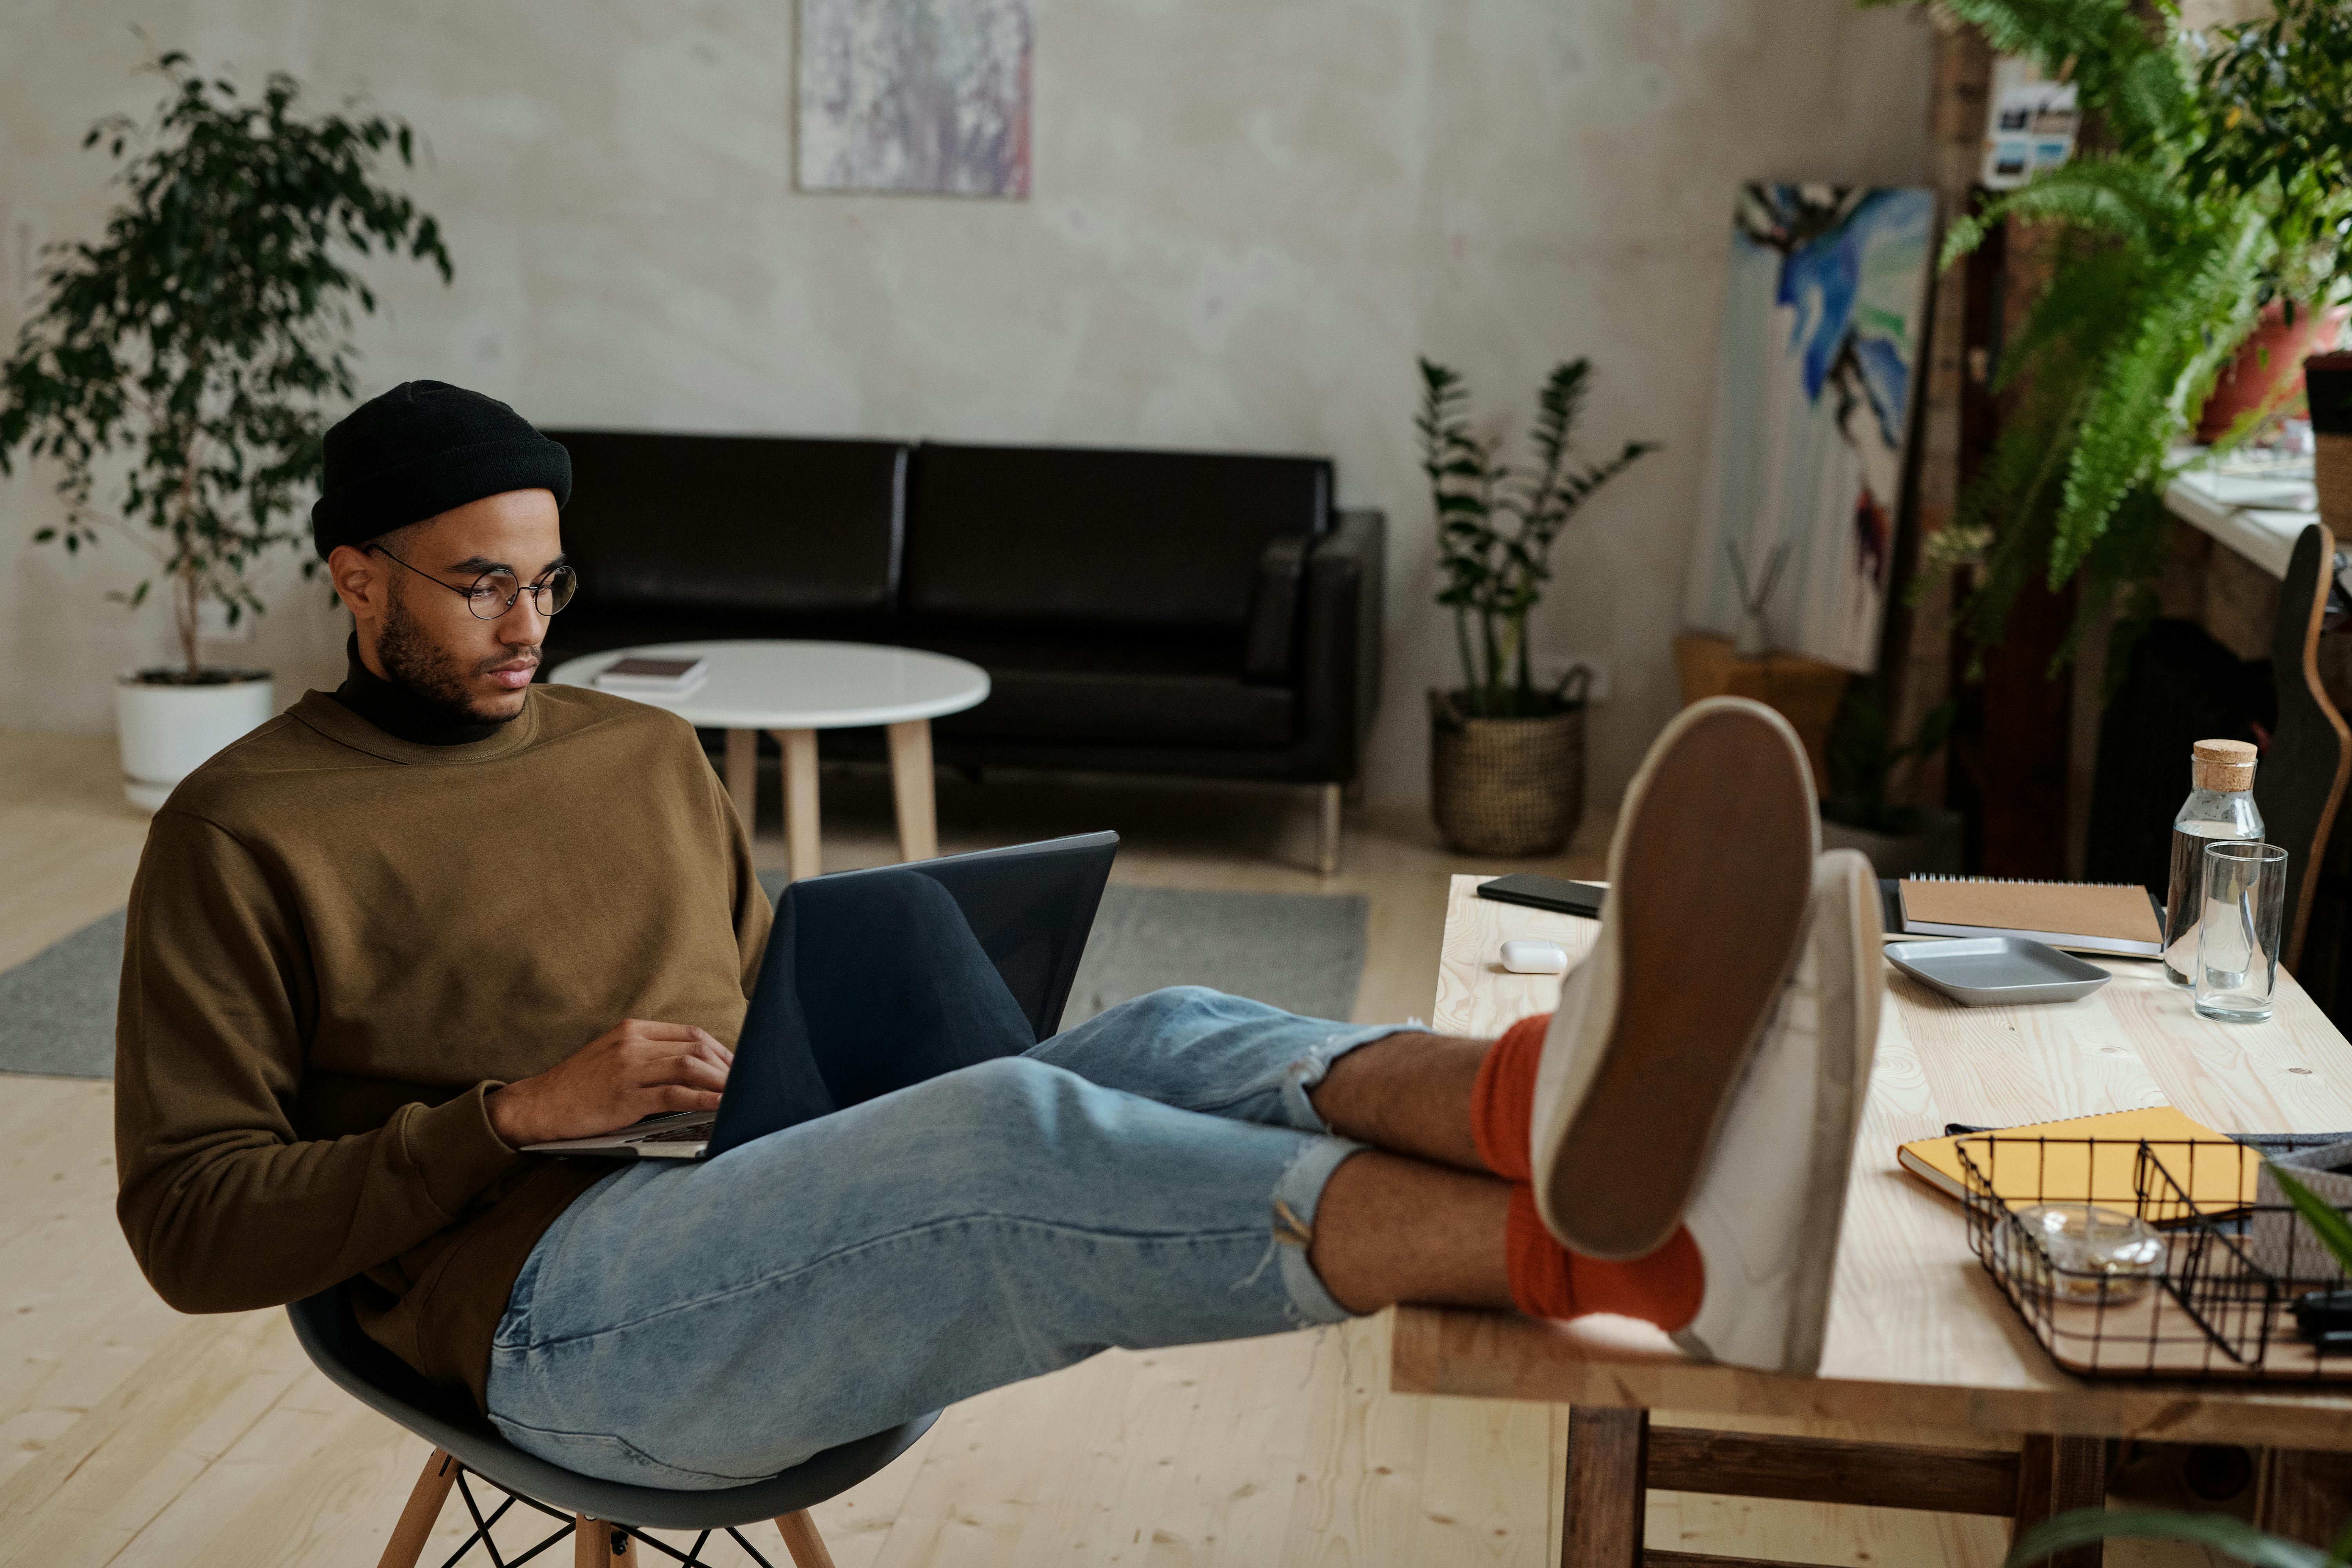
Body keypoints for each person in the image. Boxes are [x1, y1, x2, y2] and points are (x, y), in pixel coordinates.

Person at [114, 380, 1882, 1490]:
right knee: (1017, 1132)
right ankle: (1645, 1259)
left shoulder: (638, 747)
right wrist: (510, 1114)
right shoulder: (246, 826)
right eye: (478, 583)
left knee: (1173, 1025)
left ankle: (1555, 1098)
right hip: (557, 1328)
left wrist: (838, 1020)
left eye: (549, 578)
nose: (526, 626)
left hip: (736, 1199)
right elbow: (189, 1228)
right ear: (354, 578)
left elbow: (756, 995)